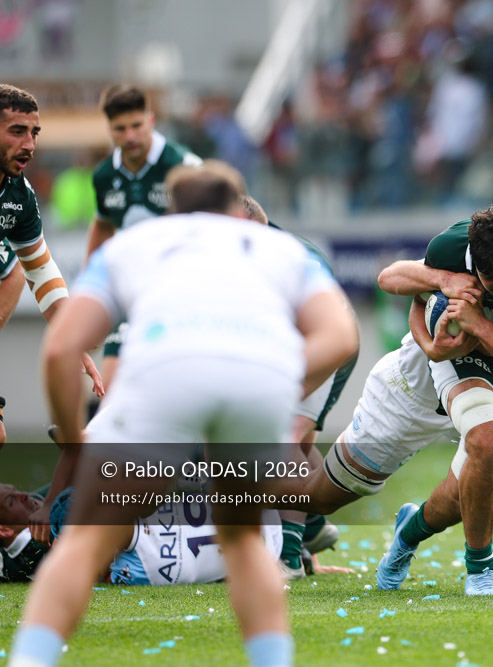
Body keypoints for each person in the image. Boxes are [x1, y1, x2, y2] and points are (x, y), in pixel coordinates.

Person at [7, 161, 359, 667]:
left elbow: (61, 349)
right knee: (242, 540)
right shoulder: (281, 249)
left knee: (86, 543)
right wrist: (277, 379)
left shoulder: (134, 245)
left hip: (161, 374)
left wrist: (73, 436)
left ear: (171, 208)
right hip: (254, 380)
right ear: (238, 209)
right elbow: (343, 336)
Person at [278, 219, 493, 594]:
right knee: (324, 495)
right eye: (489, 277)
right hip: (415, 389)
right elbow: (402, 286)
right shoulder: (458, 250)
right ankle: (241, 503)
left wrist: (481, 328)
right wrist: (435, 318)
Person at [239, 193, 357, 578]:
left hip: (326, 343)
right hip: (283, 348)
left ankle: (288, 554)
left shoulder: (297, 258)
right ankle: (311, 529)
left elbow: (328, 329)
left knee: (287, 439)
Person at [0, 84, 103, 448]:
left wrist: (72, 340)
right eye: (17, 131)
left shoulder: (19, 196)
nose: (29, 143)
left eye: (34, 133)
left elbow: (40, 269)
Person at [86, 84, 202, 392]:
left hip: (181, 295)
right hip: (130, 293)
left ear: (151, 120)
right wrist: (89, 286)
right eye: (120, 129)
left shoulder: (185, 167)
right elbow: (102, 225)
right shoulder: (103, 176)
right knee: (111, 387)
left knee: (184, 389)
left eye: (136, 126)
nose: (130, 136)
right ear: (109, 129)